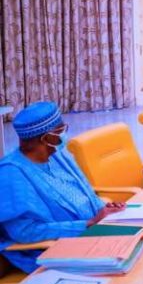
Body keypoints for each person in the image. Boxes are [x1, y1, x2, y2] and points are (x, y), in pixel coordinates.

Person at [0, 102, 125, 273]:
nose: (64, 135)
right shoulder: (11, 173)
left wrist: (106, 211)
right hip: (55, 250)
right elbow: (24, 232)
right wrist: (87, 224)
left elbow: (86, 191)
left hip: (95, 232)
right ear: (45, 138)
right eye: (60, 130)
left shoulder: (56, 155)